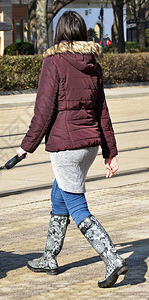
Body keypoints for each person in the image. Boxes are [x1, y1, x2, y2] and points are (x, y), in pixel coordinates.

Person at [16, 11, 128, 288]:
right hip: (89, 145)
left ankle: (112, 258)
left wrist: (25, 147)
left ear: (59, 33)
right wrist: (109, 151)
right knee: (60, 196)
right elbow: (103, 111)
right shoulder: (93, 64)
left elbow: (43, 111)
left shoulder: (53, 63)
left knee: (77, 206)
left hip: (66, 145)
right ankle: (49, 257)